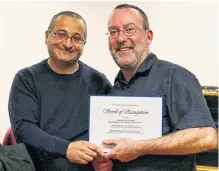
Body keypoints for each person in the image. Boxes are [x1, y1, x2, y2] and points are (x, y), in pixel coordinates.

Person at [93, 4, 217, 171]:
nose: (121, 38)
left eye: (130, 29)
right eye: (113, 32)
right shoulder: (113, 91)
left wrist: (139, 147)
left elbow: (206, 137)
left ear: (148, 36)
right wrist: (103, 161)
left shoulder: (174, 77)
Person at [8, 11, 112, 171]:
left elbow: (111, 128)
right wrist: (67, 149)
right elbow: (23, 129)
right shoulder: (27, 78)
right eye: (61, 34)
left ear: (84, 43)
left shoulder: (98, 81)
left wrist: (107, 158)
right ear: (46, 36)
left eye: (76, 38)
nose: (68, 44)